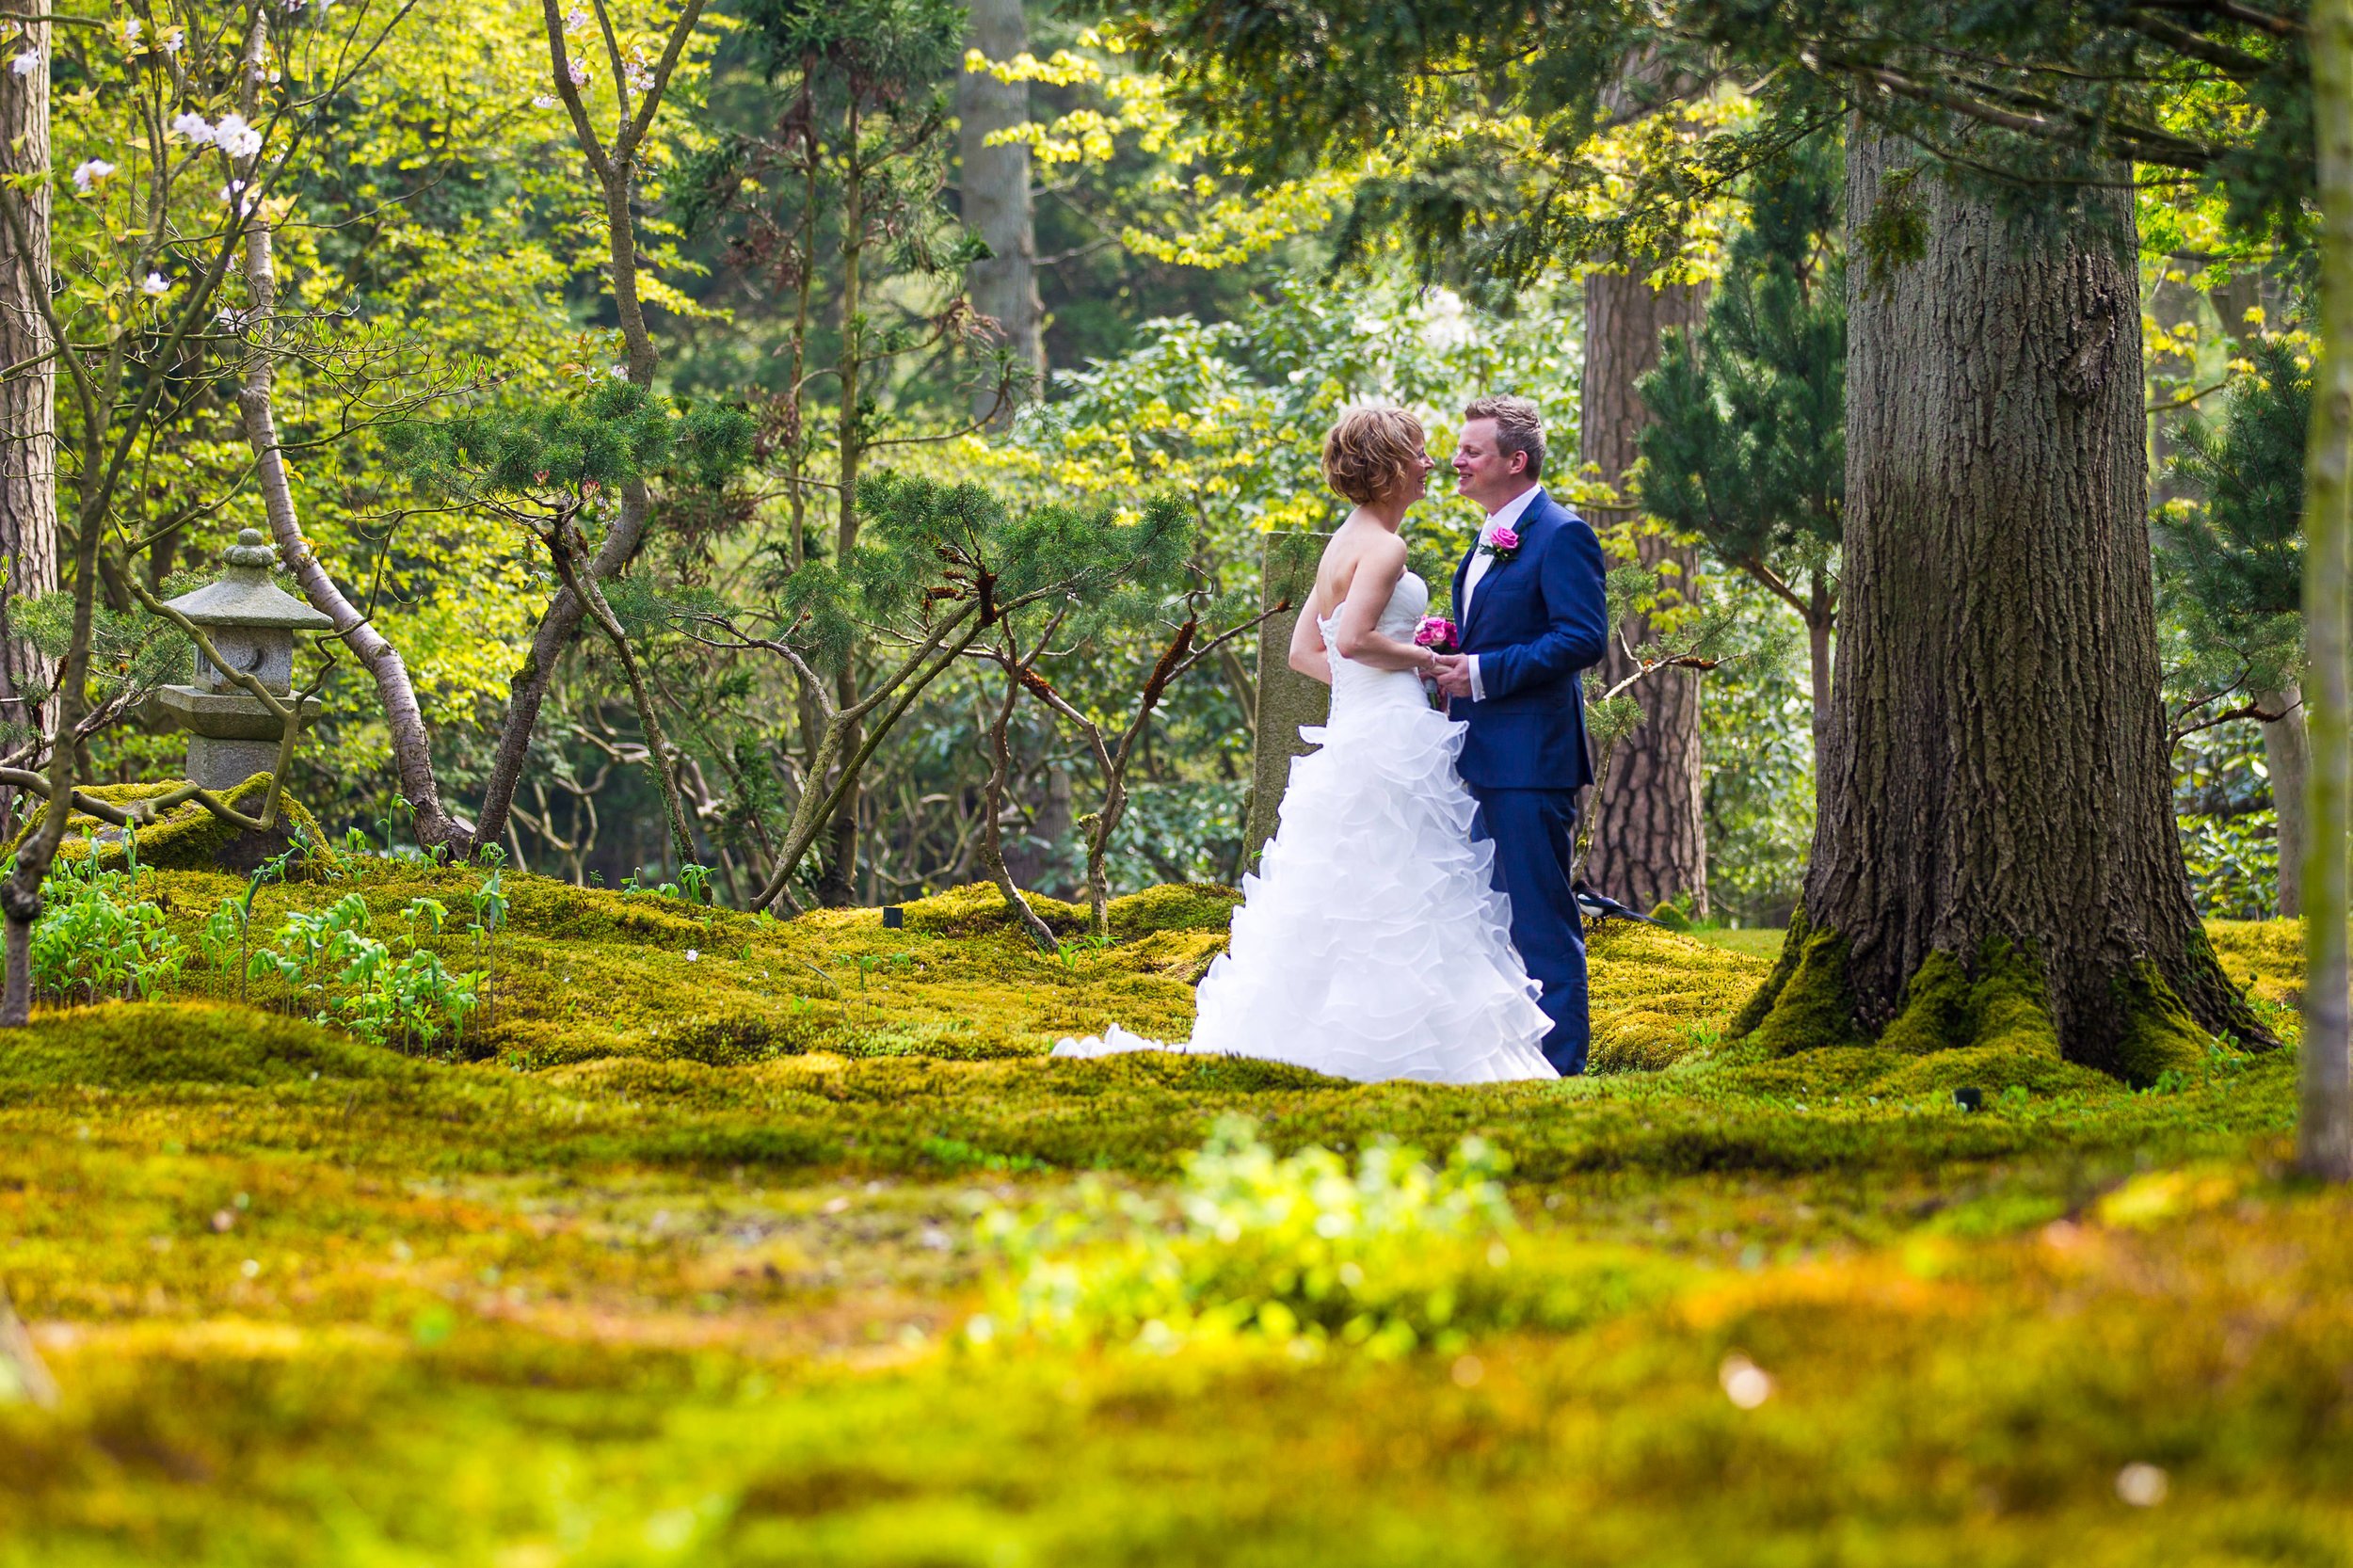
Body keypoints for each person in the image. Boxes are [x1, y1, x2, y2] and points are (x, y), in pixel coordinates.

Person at [1055, 405, 1557, 1083]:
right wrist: (1424, 662)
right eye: (1417, 451)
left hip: (1357, 725)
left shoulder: (1341, 542)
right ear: (1388, 467)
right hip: (1388, 739)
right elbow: (1349, 642)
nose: (1430, 463)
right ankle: (1406, 1051)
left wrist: (1374, 679)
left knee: (1356, 887)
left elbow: (1305, 652)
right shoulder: (1386, 547)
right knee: (1404, 887)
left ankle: (1322, 1040)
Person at [1430, 395, 1609, 1074]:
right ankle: (1503, 1054)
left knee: (1539, 917)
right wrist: (1444, 652)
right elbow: (1493, 631)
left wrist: (1479, 671)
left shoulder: (1562, 534)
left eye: (1471, 451)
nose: (1456, 460)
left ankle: (1560, 1064)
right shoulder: (1484, 538)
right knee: (1484, 918)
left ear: (1516, 460)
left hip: (1532, 761)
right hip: (1473, 754)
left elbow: (1580, 638)